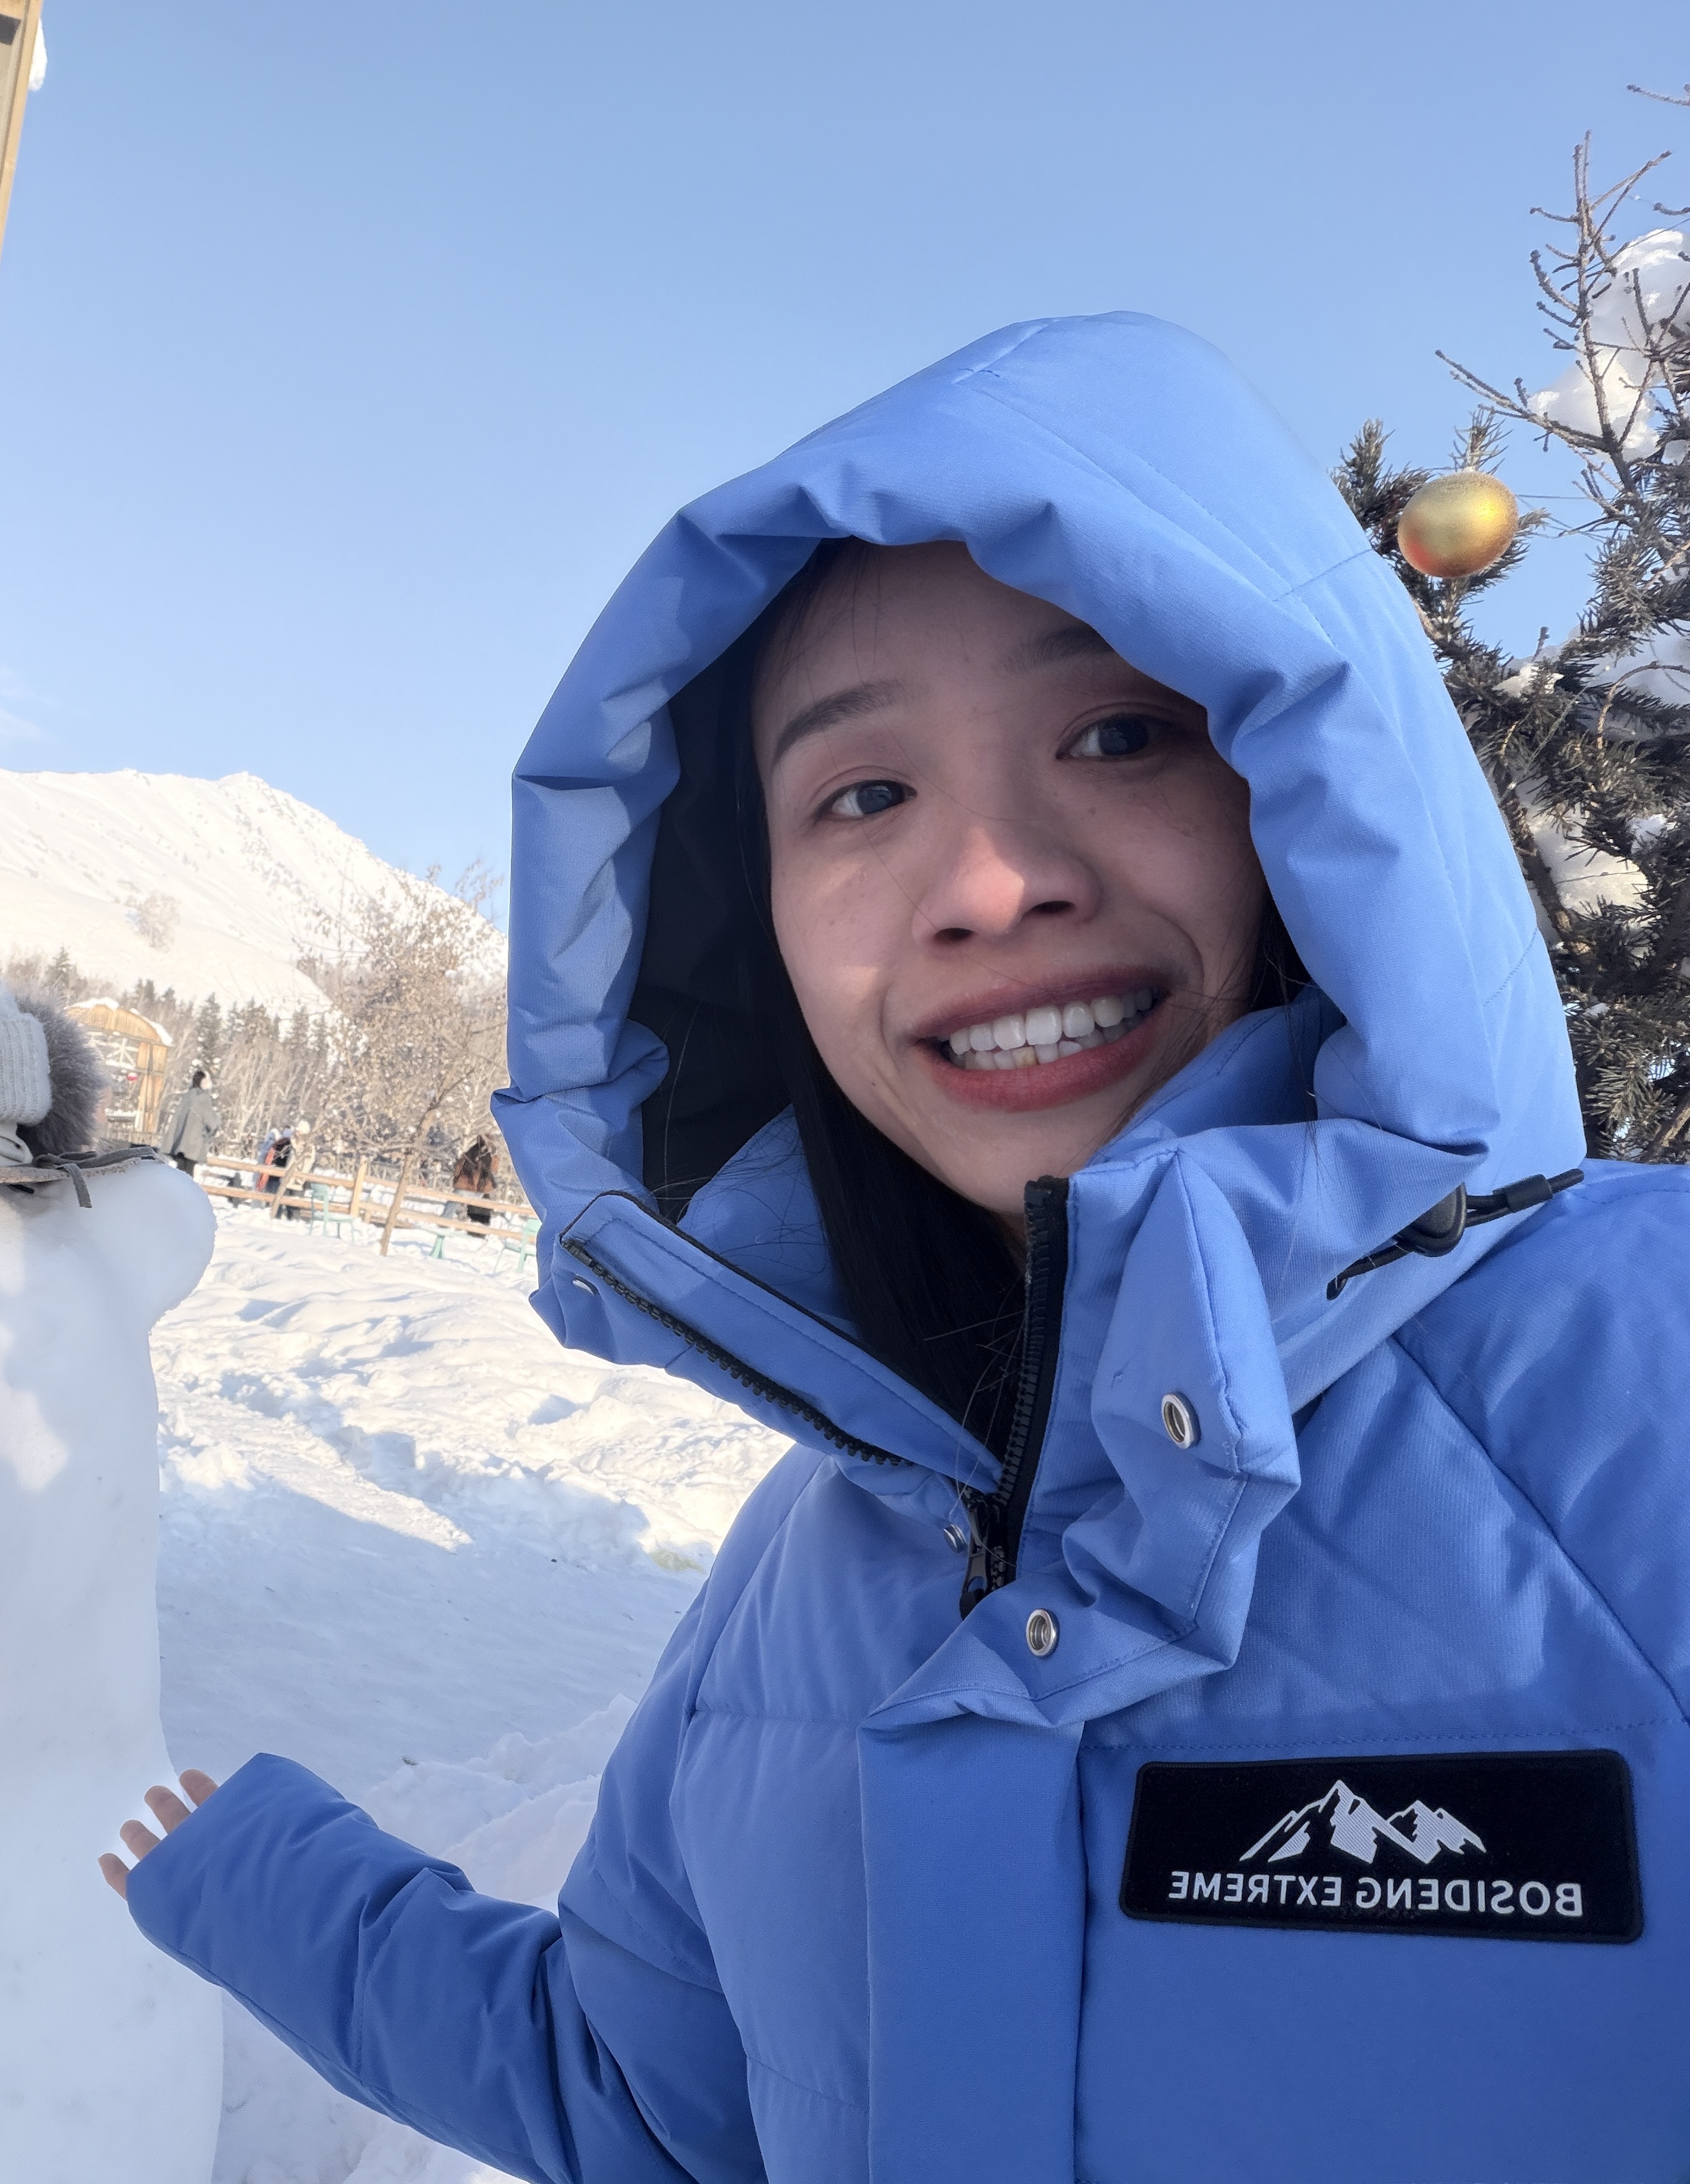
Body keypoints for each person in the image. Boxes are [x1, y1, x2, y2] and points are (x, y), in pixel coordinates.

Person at [98, 316, 1690, 2181]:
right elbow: (660, 2111)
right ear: (751, 925)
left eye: (1118, 734)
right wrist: (275, 1893)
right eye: (863, 795)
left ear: (1311, 801)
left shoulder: (1645, 1374)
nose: (993, 883)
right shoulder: (806, 1569)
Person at [156, 1065, 223, 1176]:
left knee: (179, 1173)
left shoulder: (187, 1097)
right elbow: (211, 1121)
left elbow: (176, 1122)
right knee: (187, 1175)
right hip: (193, 1145)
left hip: (180, 1145)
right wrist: (216, 1124)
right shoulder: (203, 1099)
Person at [451, 1134, 497, 1225]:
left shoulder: (481, 1154)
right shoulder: (477, 1153)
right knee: (456, 1201)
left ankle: (450, 1220)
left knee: (456, 1201)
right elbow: (491, 1169)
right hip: (471, 1186)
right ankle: (449, 1220)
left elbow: (493, 1169)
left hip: (475, 1187)